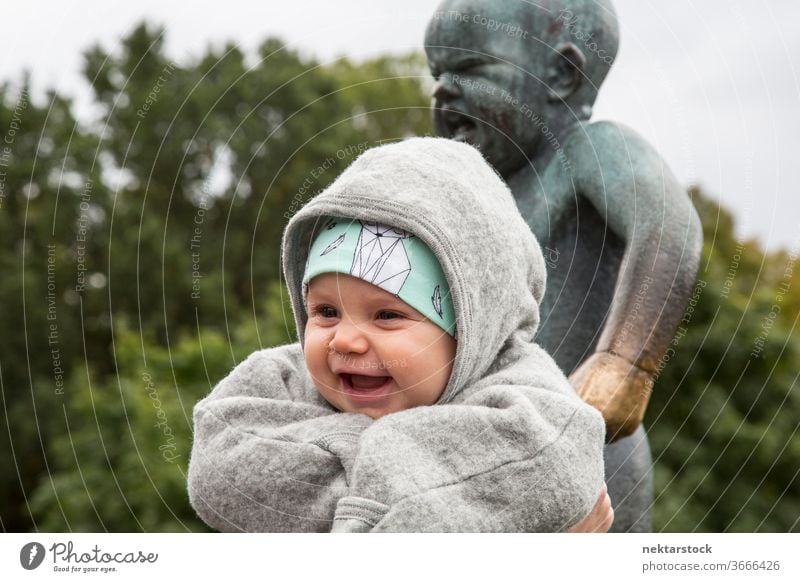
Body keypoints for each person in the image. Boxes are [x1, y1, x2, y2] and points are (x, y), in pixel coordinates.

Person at [187, 137, 612, 532]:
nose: (345, 341)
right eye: (327, 312)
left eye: (387, 315)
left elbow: (557, 468)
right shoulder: (279, 377)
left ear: (471, 328)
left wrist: (333, 472)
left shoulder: (530, 407)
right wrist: (369, 452)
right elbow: (217, 466)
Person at [425, 0, 702, 531]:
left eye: (471, 67)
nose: (443, 89)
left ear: (563, 73)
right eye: (438, 73)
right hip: (476, 456)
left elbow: (670, 229)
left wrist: (625, 362)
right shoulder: (472, 194)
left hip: (583, 451)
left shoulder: (588, 152)